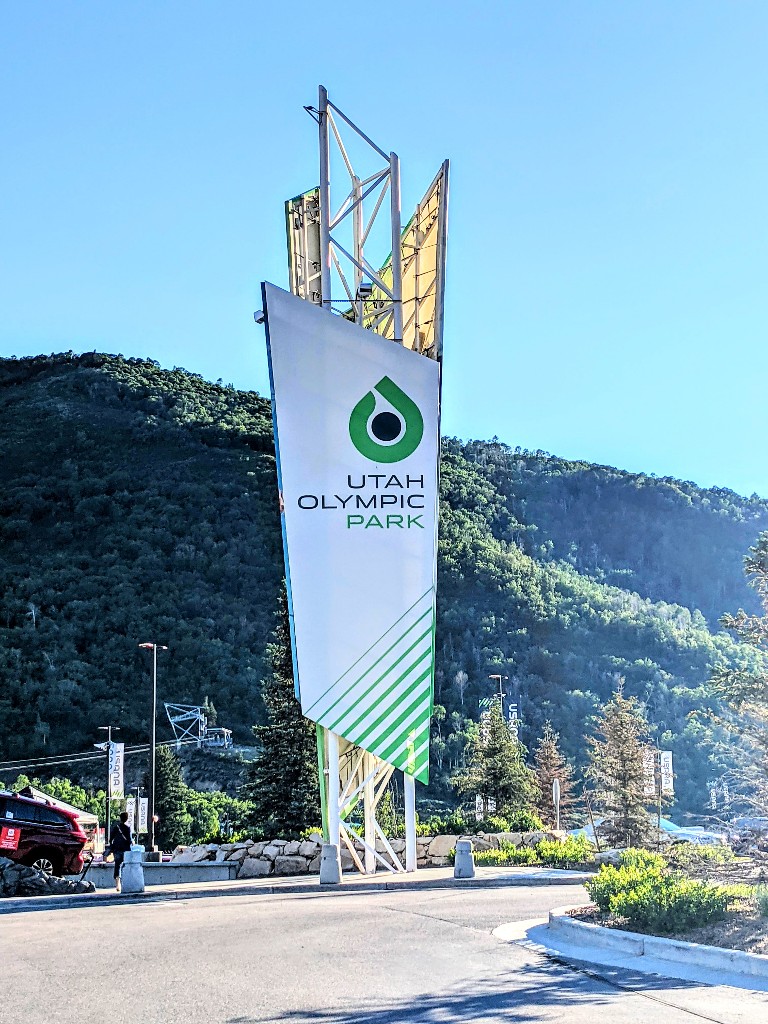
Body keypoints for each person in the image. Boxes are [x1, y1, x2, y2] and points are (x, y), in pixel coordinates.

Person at [109, 812, 132, 892]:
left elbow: (110, 839)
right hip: (125, 849)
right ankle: (125, 882)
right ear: (127, 818)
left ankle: (117, 884)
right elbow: (129, 840)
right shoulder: (127, 828)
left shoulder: (116, 827)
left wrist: (113, 846)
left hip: (117, 849)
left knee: (117, 865)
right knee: (126, 865)